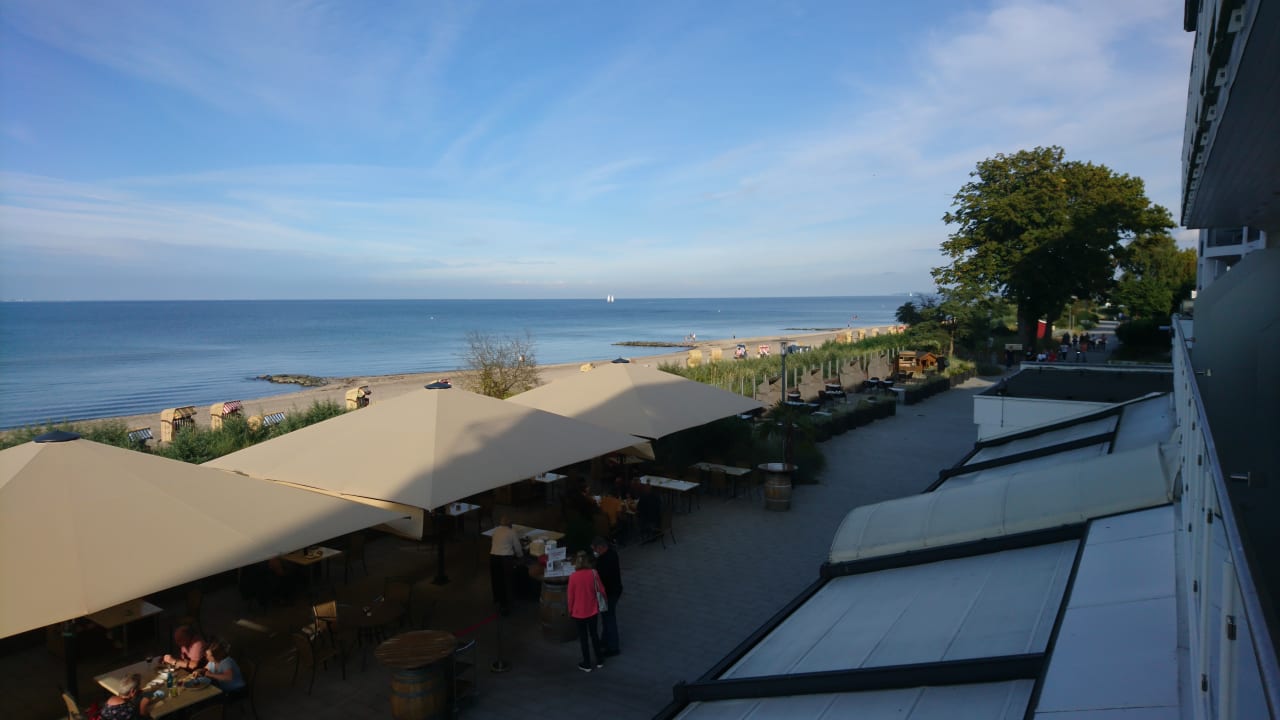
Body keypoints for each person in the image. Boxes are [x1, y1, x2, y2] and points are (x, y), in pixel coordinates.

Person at [566, 551, 605, 672]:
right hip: (592, 610)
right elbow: (601, 589)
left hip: (578, 612)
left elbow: (570, 597)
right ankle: (599, 660)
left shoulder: (573, 577)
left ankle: (587, 664)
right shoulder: (593, 573)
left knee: (583, 639)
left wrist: (570, 610)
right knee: (594, 635)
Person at [591, 537, 623, 657]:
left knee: (609, 619)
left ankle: (613, 647)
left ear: (601, 547)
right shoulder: (611, 554)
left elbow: (601, 577)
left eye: (595, 549)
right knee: (606, 617)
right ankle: (605, 641)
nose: (595, 552)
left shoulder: (605, 560)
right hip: (614, 591)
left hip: (609, 593)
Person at [489, 515, 523, 616]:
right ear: (510, 524)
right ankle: (506, 604)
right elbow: (517, 548)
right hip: (505, 559)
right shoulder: (511, 532)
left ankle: (499, 600)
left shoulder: (495, 531)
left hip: (493, 557)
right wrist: (520, 557)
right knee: (507, 581)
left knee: (497, 580)